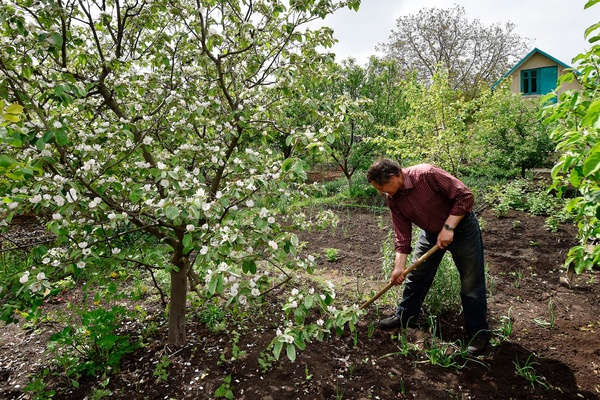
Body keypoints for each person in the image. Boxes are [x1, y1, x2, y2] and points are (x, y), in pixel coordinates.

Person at [366, 159, 489, 356]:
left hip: (462, 229)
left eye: (381, 187)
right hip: (430, 234)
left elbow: (465, 196)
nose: (381, 192)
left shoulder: (427, 174)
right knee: (416, 275)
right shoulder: (393, 198)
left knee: (471, 282)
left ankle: (478, 335)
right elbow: (402, 235)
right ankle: (405, 317)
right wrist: (399, 267)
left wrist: (448, 228)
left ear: (393, 177)